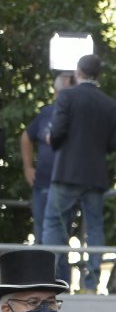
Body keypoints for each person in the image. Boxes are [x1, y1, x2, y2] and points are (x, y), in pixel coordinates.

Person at [43, 56, 116, 292]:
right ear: (99, 74)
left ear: (78, 72)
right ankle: (91, 284)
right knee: (95, 228)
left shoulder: (67, 96)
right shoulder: (110, 104)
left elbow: (57, 133)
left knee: (54, 225)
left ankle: (48, 279)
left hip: (67, 173)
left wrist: (50, 138)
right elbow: (114, 144)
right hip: (95, 176)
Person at [20, 72, 75, 245]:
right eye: (63, 91)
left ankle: (58, 272)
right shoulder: (46, 113)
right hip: (42, 184)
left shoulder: (77, 115)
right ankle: (41, 271)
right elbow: (26, 138)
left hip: (65, 185)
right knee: (41, 235)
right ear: (56, 92)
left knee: (60, 238)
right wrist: (27, 167)